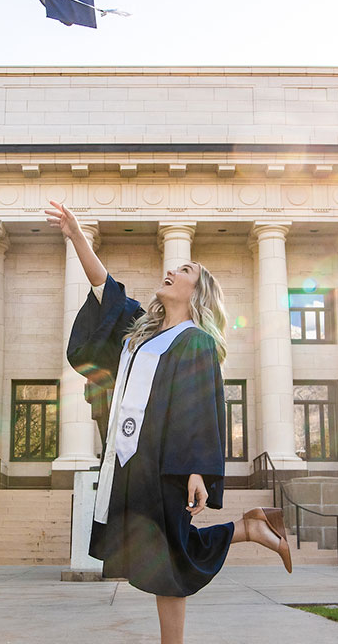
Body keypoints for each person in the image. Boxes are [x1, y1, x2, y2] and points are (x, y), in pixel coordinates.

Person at [46, 200, 292, 644]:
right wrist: (77, 235)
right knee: (163, 552)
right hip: (128, 461)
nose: (173, 271)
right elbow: (105, 288)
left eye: (185, 270)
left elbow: (198, 406)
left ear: (196, 293)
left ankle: (250, 531)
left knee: (170, 553)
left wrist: (197, 468)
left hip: (166, 462)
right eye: (175, 266)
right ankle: (251, 528)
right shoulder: (140, 332)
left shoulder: (194, 341)